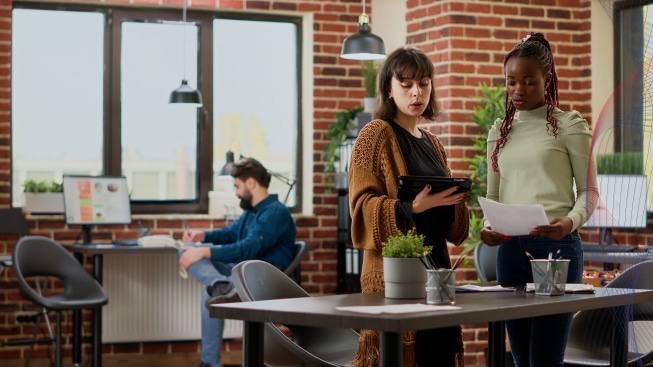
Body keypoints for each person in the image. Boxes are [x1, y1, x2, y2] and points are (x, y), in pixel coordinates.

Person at [480, 32, 599, 367]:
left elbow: (589, 193)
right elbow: (494, 196)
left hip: (556, 250)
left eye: (529, 82)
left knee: (545, 360)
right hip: (510, 252)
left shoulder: (569, 125)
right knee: (519, 360)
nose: (518, 90)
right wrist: (490, 227)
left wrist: (568, 223)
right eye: (511, 82)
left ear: (547, 81)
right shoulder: (498, 132)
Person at [348, 46, 469, 367]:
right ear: (389, 88)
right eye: (406, 84)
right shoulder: (373, 135)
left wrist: (455, 199)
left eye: (424, 83)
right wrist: (410, 207)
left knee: (439, 356)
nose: (417, 92)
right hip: (394, 277)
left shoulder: (434, 144)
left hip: (437, 275)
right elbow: (360, 209)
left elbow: (454, 229)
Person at [180, 158, 296, 367]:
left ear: (250, 183)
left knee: (207, 291)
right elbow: (231, 233)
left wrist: (206, 252)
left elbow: (248, 248)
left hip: (262, 276)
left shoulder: (275, 212)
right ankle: (220, 284)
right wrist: (202, 236)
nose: (236, 192)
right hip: (242, 270)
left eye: (237, 186)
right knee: (187, 251)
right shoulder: (251, 211)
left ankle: (209, 360)